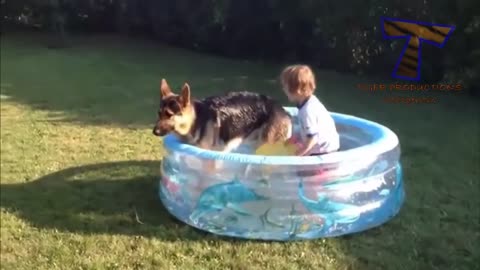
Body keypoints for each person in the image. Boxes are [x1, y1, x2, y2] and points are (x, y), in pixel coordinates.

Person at [280, 64, 340, 158]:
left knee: (302, 172)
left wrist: (299, 155)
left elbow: (313, 138)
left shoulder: (308, 111)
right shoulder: (310, 101)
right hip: (329, 146)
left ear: (297, 90)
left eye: (285, 87)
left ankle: (319, 172)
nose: (283, 89)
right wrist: (295, 138)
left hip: (323, 152)